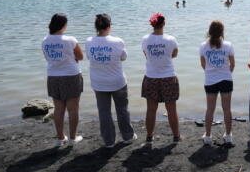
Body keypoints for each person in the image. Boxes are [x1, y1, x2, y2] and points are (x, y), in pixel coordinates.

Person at [85, 14, 136, 148]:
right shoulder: (118, 41)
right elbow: (123, 57)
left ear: (96, 27)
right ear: (109, 27)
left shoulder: (89, 41)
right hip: (117, 81)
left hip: (99, 82)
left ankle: (109, 141)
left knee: (104, 112)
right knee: (122, 110)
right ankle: (127, 136)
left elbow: (89, 57)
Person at [41, 13, 84, 147]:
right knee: (73, 108)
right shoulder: (70, 39)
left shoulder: (45, 40)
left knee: (58, 109)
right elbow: (80, 56)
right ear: (64, 25)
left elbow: (48, 58)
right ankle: (72, 138)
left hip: (53, 76)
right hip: (71, 75)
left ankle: (60, 138)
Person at [141, 13, 181, 143]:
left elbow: (146, 55)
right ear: (164, 24)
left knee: (151, 109)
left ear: (152, 25)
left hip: (151, 77)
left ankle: (149, 136)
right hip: (168, 77)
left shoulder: (145, 39)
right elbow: (174, 54)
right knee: (171, 109)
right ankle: (176, 136)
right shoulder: (171, 39)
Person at [199, 21, 235, 145]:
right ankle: (228, 135)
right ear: (222, 32)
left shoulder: (203, 46)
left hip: (210, 81)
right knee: (227, 109)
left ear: (209, 31)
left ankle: (208, 136)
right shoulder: (228, 45)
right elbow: (232, 64)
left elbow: (203, 65)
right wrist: (225, 72)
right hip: (226, 79)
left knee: (210, 109)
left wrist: (211, 72)